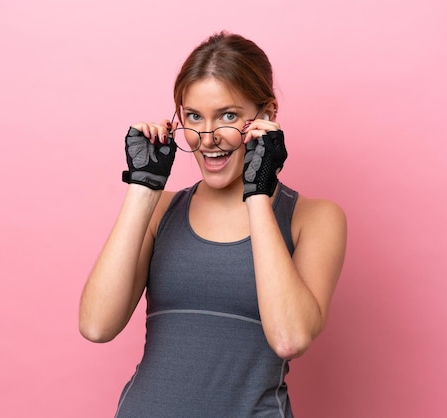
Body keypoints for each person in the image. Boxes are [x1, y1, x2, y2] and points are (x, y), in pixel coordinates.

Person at [79, 31, 347, 417]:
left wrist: (258, 193)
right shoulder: (161, 211)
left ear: (267, 115)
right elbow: (96, 325)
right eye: (193, 116)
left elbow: (290, 338)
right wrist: (144, 188)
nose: (207, 138)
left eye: (228, 115)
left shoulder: (315, 218)